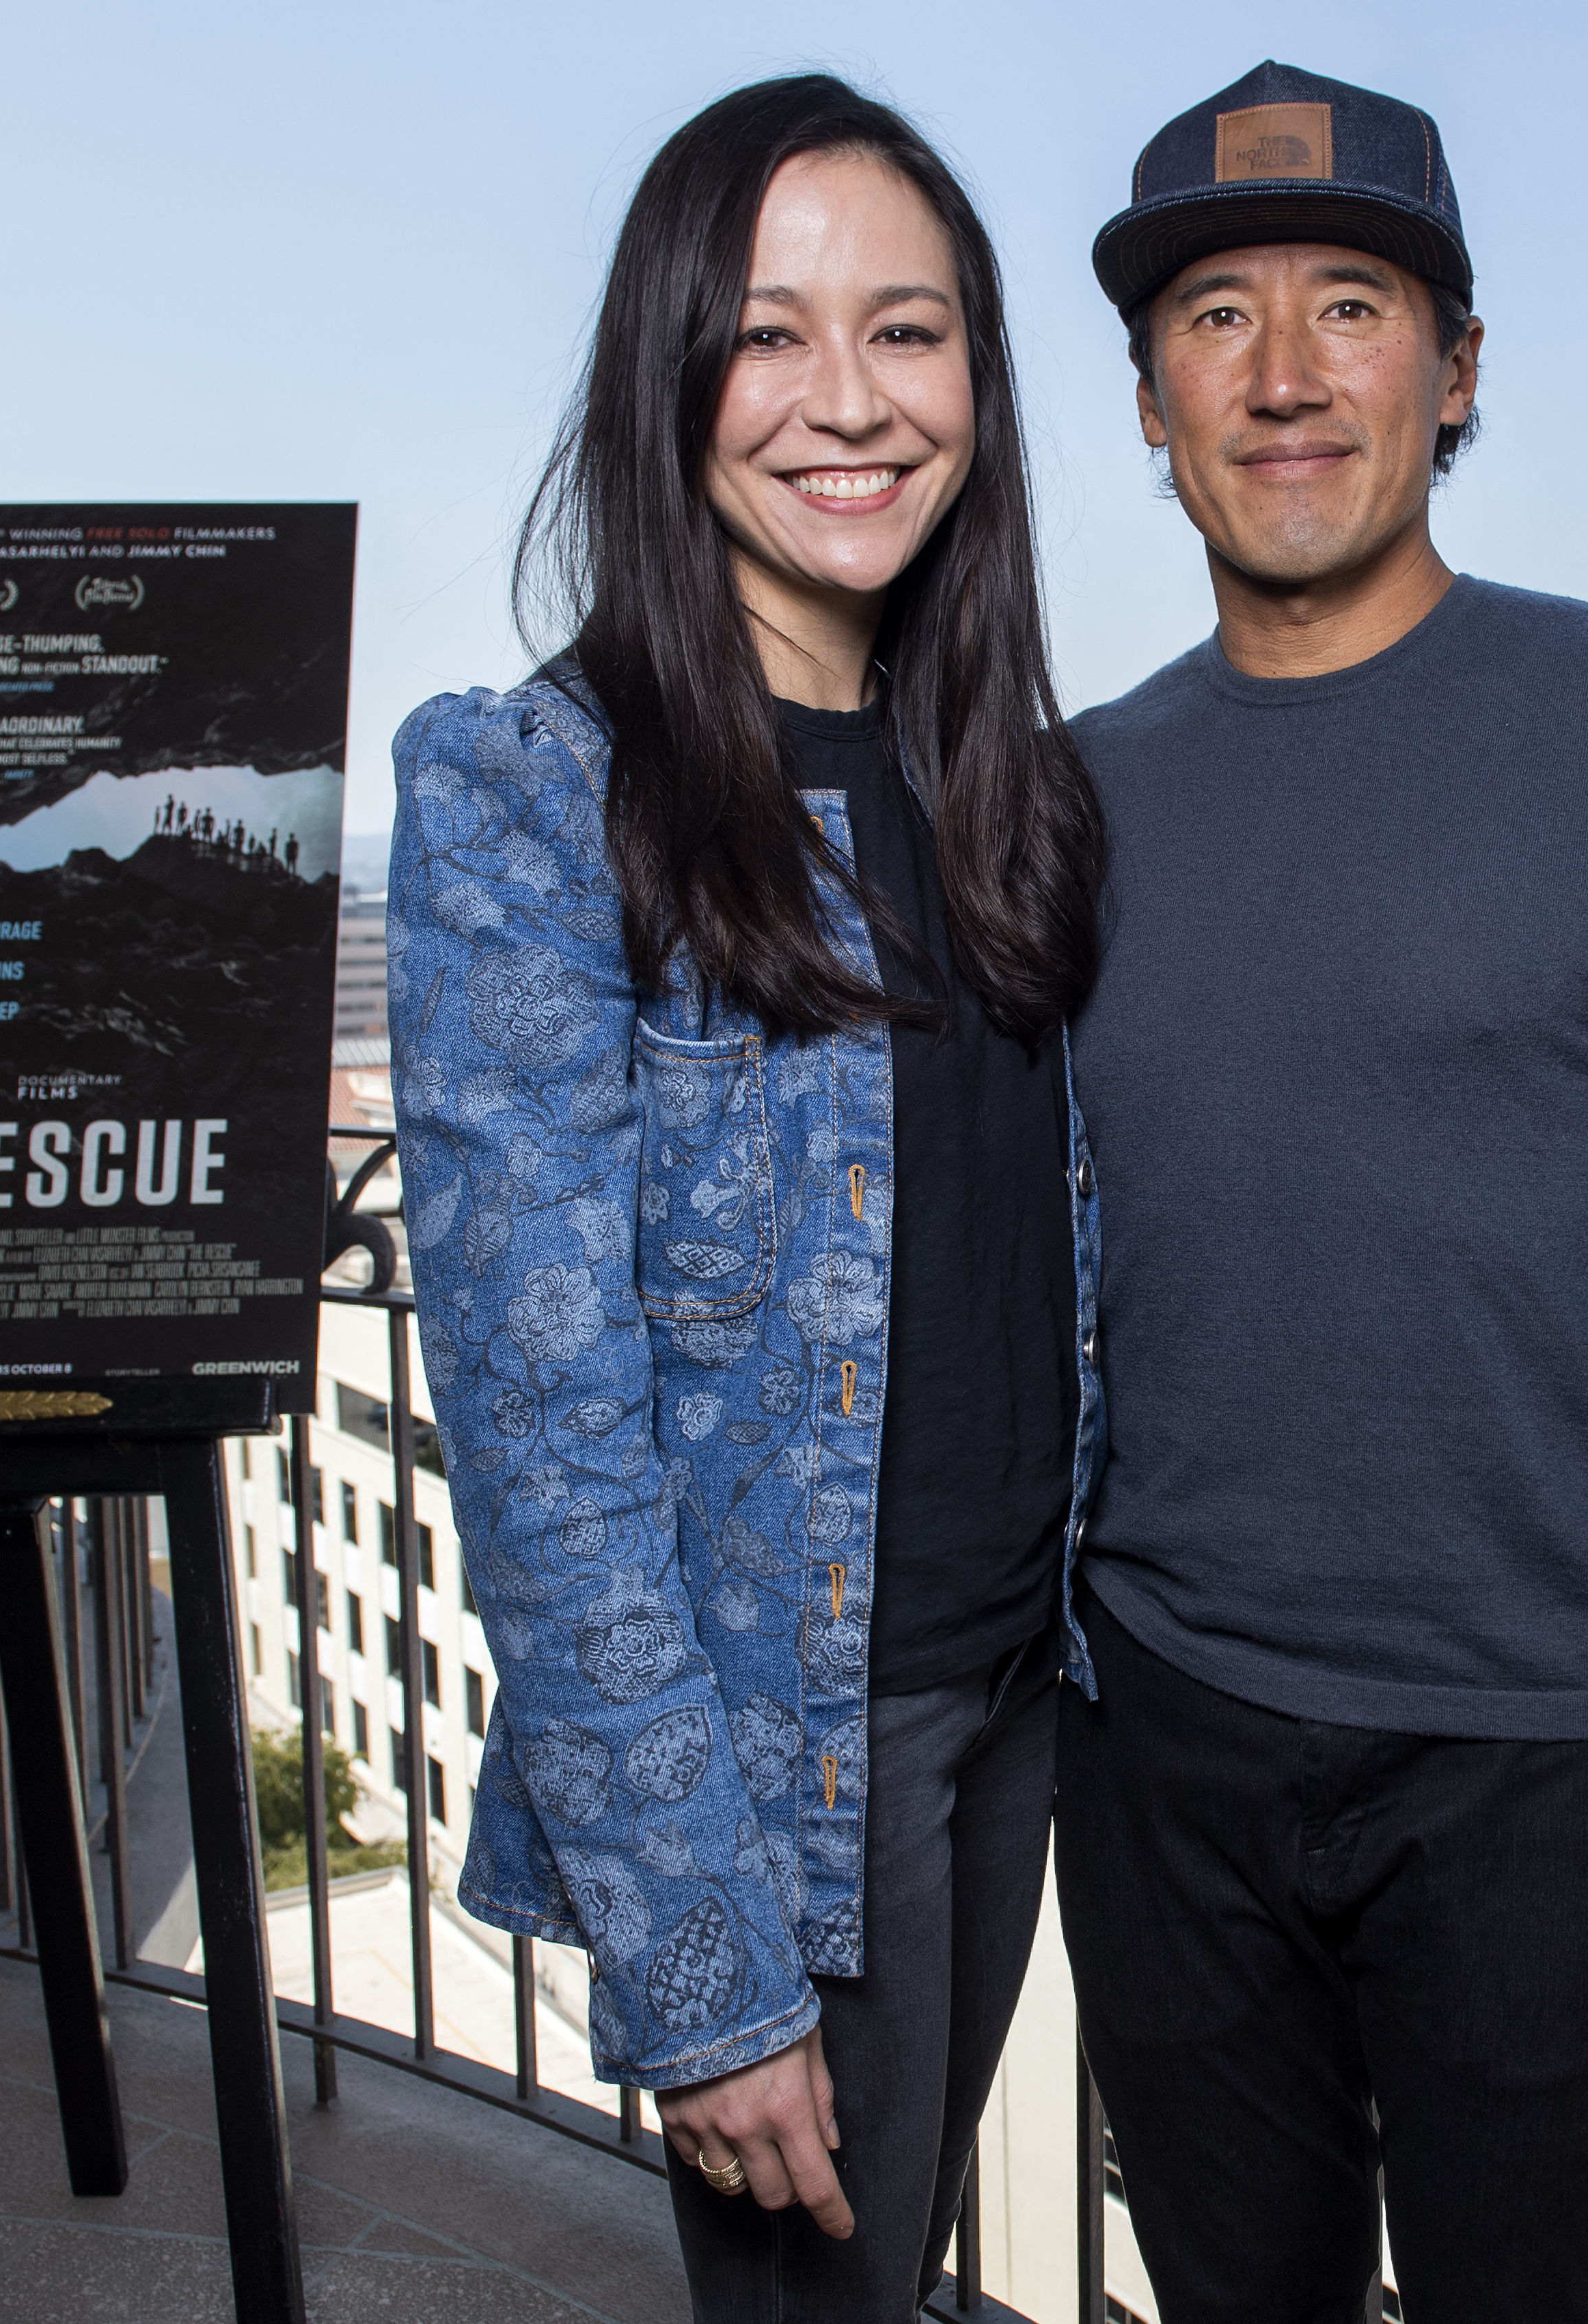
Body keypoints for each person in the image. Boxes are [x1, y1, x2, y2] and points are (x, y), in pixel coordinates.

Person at [1056, 60, 1588, 2322]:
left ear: (1455, 367)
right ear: (1149, 400)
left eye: (1353, 303)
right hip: (1161, 1729)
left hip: (1541, 1758)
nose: (1291, 372)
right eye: (1219, 319)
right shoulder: (1068, 799)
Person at [388, 74, 1106, 2321]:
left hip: (1028, 1687)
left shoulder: (1008, 788)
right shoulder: (538, 794)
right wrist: (704, 1965)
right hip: (799, 1754)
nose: (847, 402)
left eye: (908, 333)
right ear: (668, 371)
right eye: (770, 335)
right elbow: (543, 1435)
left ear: (978, 384)